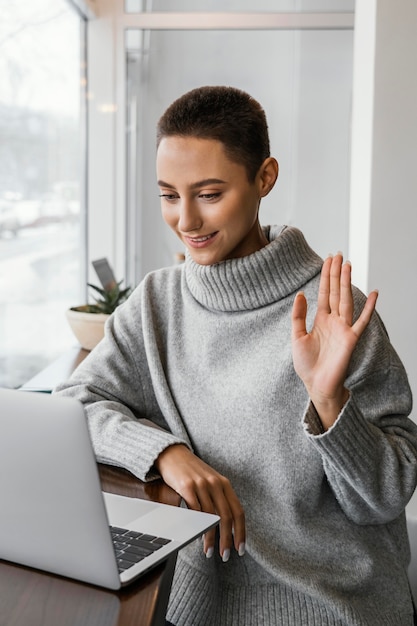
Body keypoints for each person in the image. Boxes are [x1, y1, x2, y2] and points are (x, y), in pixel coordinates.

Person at [55, 85, 417, 625]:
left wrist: (329, 402)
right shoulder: (158, 301)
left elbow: (384, 496)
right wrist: (164, 454)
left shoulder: (334, 311)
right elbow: (74, 403)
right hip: (197, 605)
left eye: (208, 193)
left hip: (328, 606)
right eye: (169, 195)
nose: (186, 221)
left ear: (264, 178)